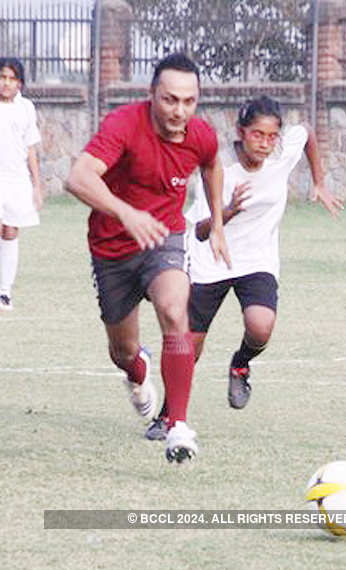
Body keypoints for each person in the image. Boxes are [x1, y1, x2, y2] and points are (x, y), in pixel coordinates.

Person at [145, 94, 343, 441]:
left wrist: (319, 182)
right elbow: (202, 230)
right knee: (190, 344)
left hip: (258, 259)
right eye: (257, 135)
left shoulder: (282, 153)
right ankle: (168, 415)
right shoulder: (218, 169)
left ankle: (240, 364)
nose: (265, 143)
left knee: (261, 326)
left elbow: (307, 132)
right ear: (241, 132)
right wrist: (231, 211)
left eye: (271, 136)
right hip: (211, 258)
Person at [66, 53, 230, 464]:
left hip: (164, 238)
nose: (180, 110)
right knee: (122, 350)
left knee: (175, 310)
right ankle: (137, 371)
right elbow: (78, 177)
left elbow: (212, 166)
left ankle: (178, 425)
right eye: (170, 99)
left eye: (189, 101)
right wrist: (125, 213)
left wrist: (219, 224)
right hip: (112, 249)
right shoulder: (124, 124)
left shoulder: (201, 135)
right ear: (151, 95)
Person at [0, 58, 43, 311]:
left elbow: (30, 149)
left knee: (10, 230)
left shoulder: (26, 108)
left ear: (20, 83)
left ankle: (4, 292)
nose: (6, 83)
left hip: (16, 179)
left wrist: (37, 185)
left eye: (11, 78)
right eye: (2, 77)